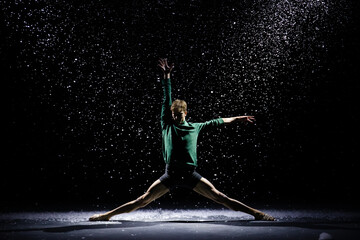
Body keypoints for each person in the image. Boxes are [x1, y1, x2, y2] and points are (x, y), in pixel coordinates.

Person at [89, 58, 275, 221]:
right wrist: (167, 77)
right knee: (142, 200)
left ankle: (257, 213)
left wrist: (237, 118)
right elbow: (166, 97)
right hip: (171, 174)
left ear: (185, 113)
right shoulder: (167, 124)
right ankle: (107, 215)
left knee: (220, 197)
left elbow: (219, 121)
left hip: (190, 174)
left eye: (179, 114)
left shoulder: (196, 126)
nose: (176, 117)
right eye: (173, 114)